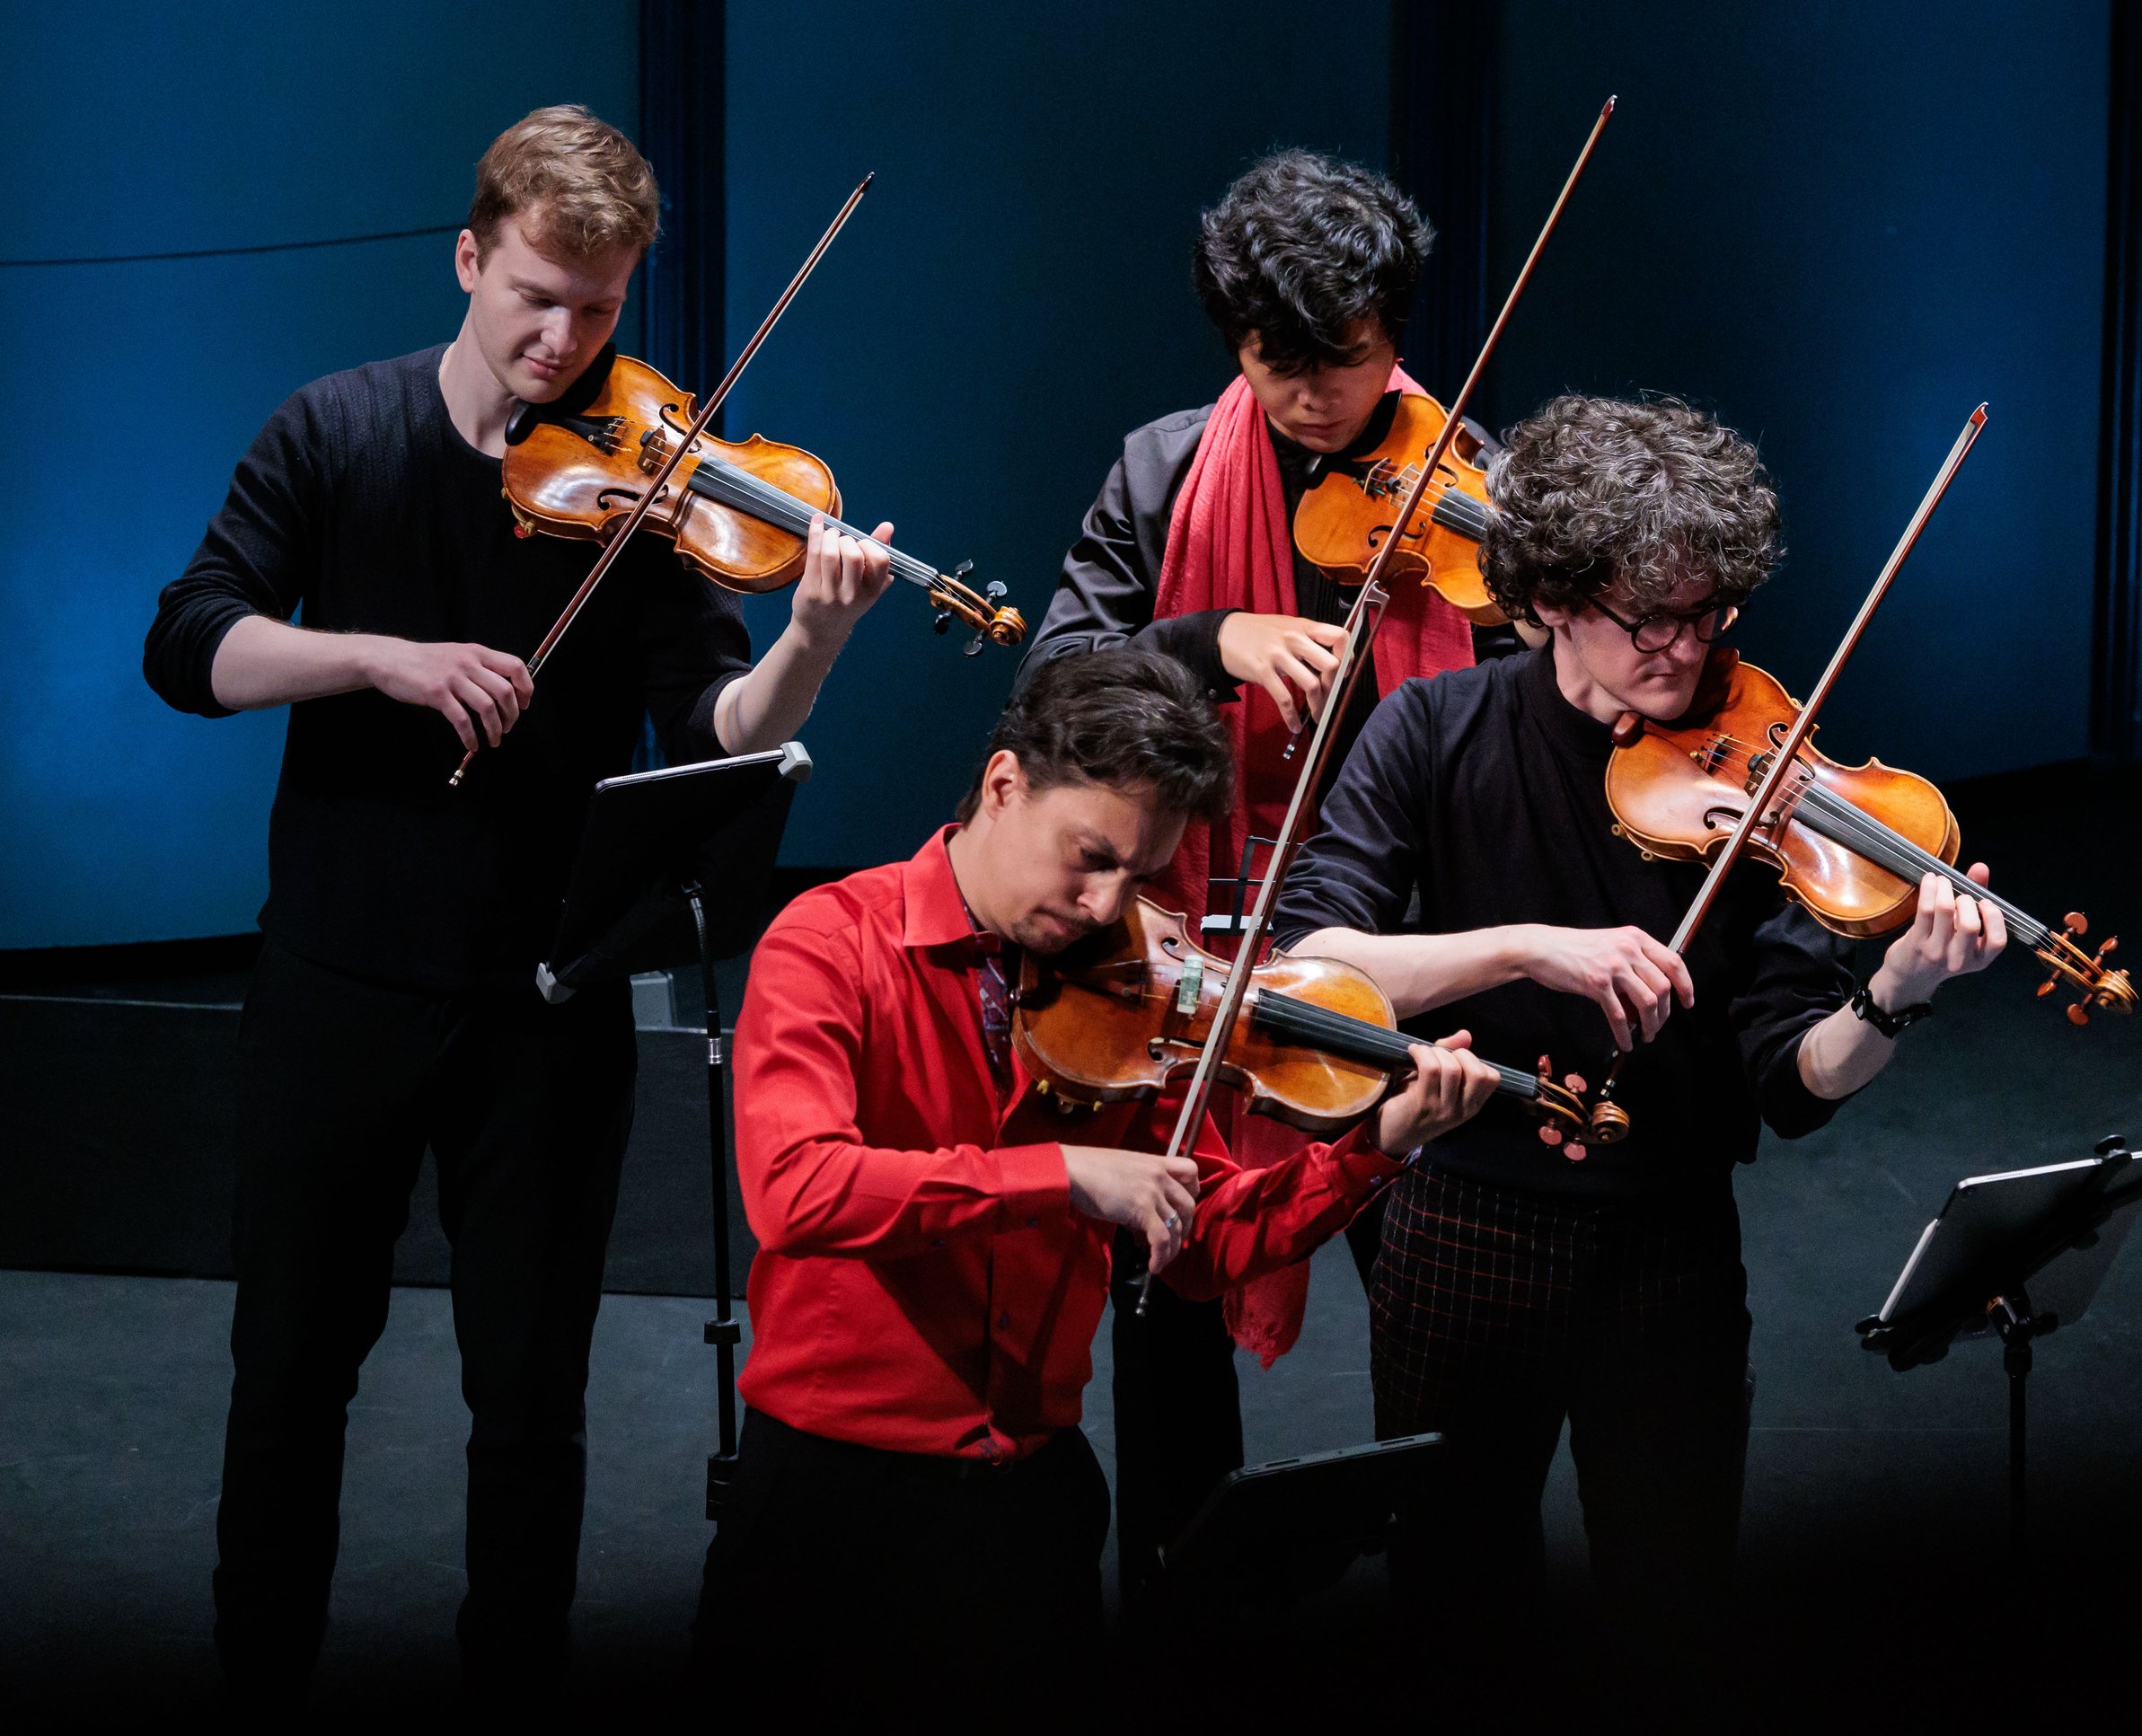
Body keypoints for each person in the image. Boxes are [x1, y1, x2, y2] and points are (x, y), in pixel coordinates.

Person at [141, 104, 895, 1700]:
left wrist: (814, 636)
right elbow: (188, 643)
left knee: (534, 1398)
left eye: (603, 309)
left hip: (547, 1003)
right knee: (286, 1378)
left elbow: (715, 733)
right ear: (470, 258)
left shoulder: (649, 487)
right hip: (334, 982)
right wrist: (376, 655)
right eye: (536, 296)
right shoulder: (333, 432)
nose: (565, 340)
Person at [1271, 393, 2009, 1713]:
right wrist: (1529, 947)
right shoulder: (1431, 731)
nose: (1689, 647)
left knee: (1673, 1613)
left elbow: (1792, 1082)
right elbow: (1305, 970)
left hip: (1669, 1249)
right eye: (1648, 615)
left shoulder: (1758, 777)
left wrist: (1893, 992)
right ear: (1552, 594)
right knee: (1455, 1605)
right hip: (1463, 1229)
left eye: (1711, 611)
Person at [691, 645, 1506, 1721]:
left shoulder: (1133, 992)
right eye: (1089, 856)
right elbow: (798, 1191)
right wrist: (1060, 1174)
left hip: (1032, 1496)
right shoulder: (829, 942)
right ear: (1002, 784)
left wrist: (1378, 1144)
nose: (1104, 904)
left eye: (1141, 875)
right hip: (831, 1495)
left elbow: (1205, 1241)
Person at [1017, 148, 1528, 1598]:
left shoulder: (1466, 480)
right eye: (1274, 361)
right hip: (1188, 955)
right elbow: (1050, 687)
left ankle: (1458, 1604)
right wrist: (1206, 640)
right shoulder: (1164, 467)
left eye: (1345, 363)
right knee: (1170, 1300)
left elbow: (1544, 707)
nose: (1310, 397)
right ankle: (1190, 1606)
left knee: (1433, 1299)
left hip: (1391, 942)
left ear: (1397, 338)